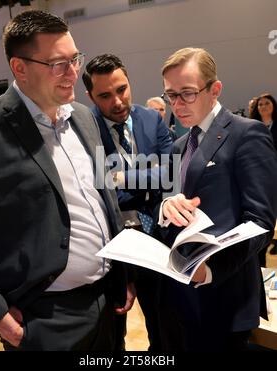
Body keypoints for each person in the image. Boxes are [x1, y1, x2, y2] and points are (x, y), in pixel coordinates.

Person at [0, 10, 135, 351]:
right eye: (58, 64)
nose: (74, 73)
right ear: (20, 68)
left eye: (75, 58)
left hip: (109, 304)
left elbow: (103, 202)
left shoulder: (83, 117)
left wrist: (124, 274)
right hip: (42, 320)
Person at [157, 47, 277, 351]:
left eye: (187, 93)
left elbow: (261, 222)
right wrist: (165, 207)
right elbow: (171, 199)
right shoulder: (178, 145)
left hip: (227, 295)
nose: (177, 104)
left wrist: (212, 270)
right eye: (171, 95)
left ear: (215, 89)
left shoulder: (247, 134)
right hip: (181, 294)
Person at [82, 54, 172, 351]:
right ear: (90, 96)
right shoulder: (84, 129)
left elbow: (171, 175)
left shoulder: (150, 118)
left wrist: (119, 178)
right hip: (113, 246)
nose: (117, 101)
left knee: (163, 327)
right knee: (113, 336)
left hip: (157, 238)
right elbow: (98, 188)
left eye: (122, 89)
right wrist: (148, 176)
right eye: (105, 95)